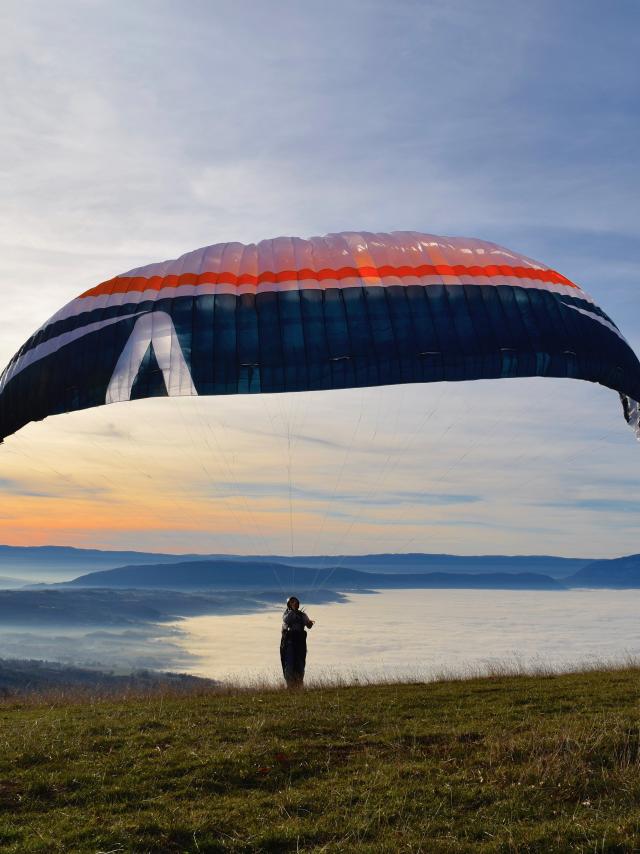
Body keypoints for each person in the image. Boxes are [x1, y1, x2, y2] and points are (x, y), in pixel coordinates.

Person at [280, 596, 314, 688]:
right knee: (289, 664)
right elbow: (285, 621)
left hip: (300, 643)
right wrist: (293, 611)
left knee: (300, 664)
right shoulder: (287, 614)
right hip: (289, 643)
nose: (295, 604)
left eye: (296, 602)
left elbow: (308, 625)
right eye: (292, 602)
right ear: (289, 605)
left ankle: (299, 684)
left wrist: (309, 623)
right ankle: (290, 685)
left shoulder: (302, 615)